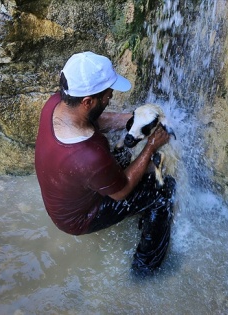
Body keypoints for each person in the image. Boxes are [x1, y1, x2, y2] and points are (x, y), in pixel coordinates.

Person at [35, 51, 176, 275]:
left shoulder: (57, 103)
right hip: (80, 219)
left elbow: (95, 118)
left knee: (123, 155)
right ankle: (145, 269)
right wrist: (151, 146)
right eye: (107, 94)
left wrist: (133, 119)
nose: (111, 95)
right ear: (88, 101)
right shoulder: (88, 154)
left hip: (66, 199)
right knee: (163, 191)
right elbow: (121, 192)